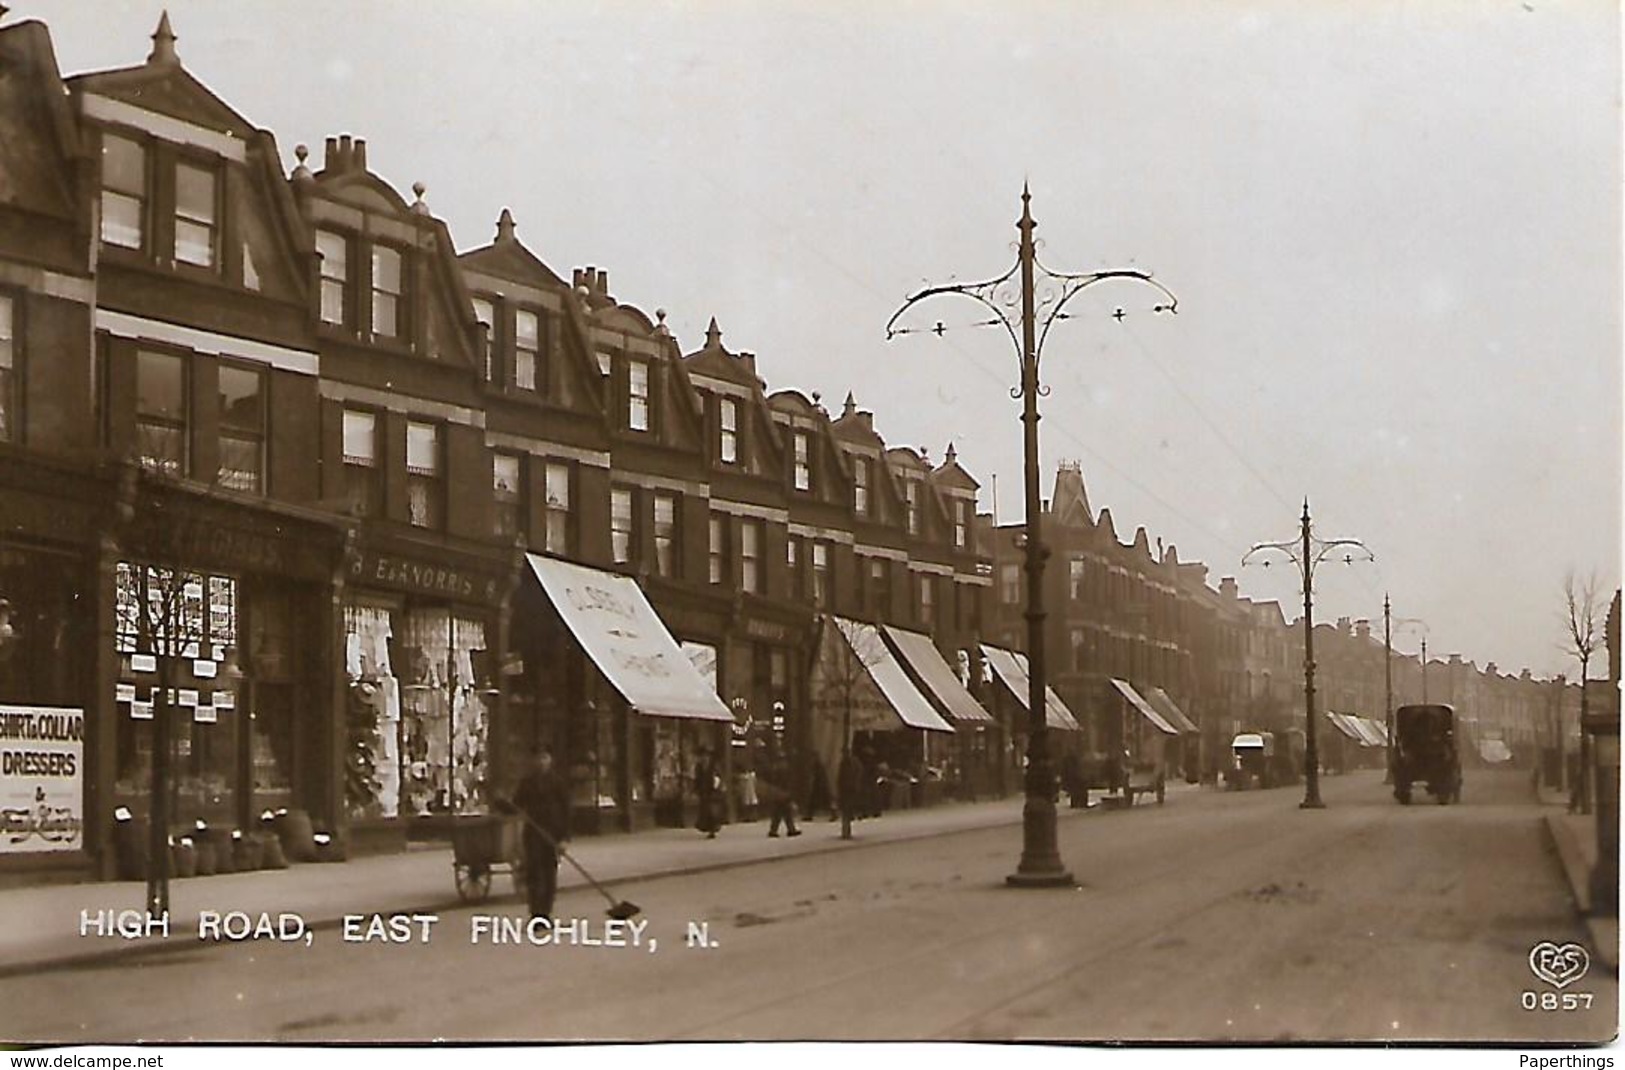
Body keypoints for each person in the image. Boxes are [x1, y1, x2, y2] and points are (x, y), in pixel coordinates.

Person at [506, 746, 571, 921]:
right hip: (533, 834)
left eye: (545, 758)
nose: (541, 762)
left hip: (552, 835)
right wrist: (504, 805)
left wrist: (564, 839)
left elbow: (566, 812)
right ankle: (535, 913)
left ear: (550, 760)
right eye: (539, 758)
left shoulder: (558, 783)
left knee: (549, 875)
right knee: (534, 874)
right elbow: (516, 804)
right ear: (534, 761)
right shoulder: (527, 783)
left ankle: (546, 912)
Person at [762, 749, 801, 838]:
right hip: (782, 793)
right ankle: (788, 829)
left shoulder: (775, 768)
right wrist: (788, 792)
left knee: (780, 813)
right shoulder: (782, 769)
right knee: (784, 812)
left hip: (778, 793)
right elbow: (785, 782)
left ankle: (777, 830)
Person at [694, 749, 722, 838]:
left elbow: (718, 776)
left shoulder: (713, 765)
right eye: (702, 756)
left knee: (712, 811)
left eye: (705, 756)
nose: (704, 758)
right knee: (705, 810)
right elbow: (697, 778)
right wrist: (696, 789)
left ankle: (713, 829)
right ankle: (708, 827)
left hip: (712, 791)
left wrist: (717, 786)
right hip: (703, 791)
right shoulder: (698, 766)